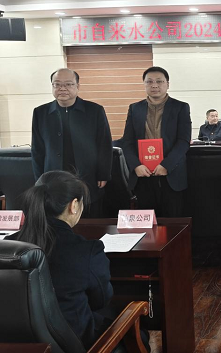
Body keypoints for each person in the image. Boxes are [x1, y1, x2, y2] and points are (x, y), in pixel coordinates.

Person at [7, 171, 113, 350]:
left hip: (19, 344)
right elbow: (101, 300)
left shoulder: (10, 246)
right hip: (75, 343)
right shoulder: (87, 251)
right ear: (74, 205)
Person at [31, 68, 113, 218]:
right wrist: (40, 180)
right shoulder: (40, 112)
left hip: (87, 175)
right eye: (57, 84)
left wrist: (103, 173)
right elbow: (37, 150)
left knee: (89, 217)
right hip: (53, 177)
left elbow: (104, 144)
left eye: (68, 84)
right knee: (56, 218)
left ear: (77, 86)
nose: (62, 88)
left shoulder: (94, 110)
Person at [122, 66, 192, 217]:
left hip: (171, 174)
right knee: (147, 223)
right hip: (143, 175)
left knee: (173, 222)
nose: (154, 85)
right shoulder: (135, 108)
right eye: (149, 82)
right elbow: (127, 142)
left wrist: (167, 165)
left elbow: (184, 141)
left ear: (167, 84)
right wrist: (136, 165)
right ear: (144, 84)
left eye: (159, 81)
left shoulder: (181, 107)